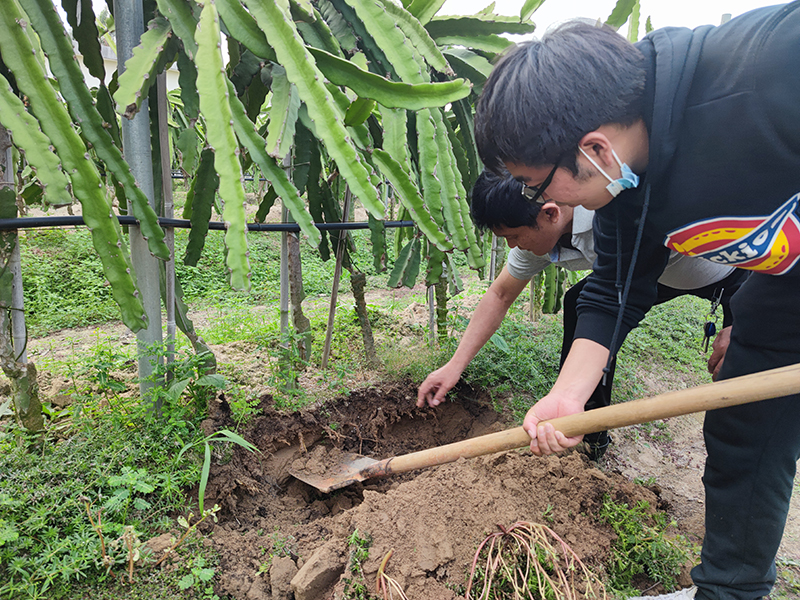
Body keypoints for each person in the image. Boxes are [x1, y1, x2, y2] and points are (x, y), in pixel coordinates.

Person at [472, 6, 800, 600]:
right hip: (786, 287)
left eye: (534, 187)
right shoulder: (622, 193)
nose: (536, 202)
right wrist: (567, 397)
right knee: (743, 431)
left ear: (592, 147)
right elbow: (612, 293)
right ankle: (731, 592)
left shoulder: (769, 64)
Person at [417, 170, 748, 460]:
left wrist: (741, 320)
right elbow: (501, 294)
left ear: (549, 214)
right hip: (647, 276)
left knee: (738, 366)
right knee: (581, 302)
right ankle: (590, 429)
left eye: (514, 237)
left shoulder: (621, 211)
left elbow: (757, 250)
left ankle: (740, 459)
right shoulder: (543, 232)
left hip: (732, 274)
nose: (514, 247)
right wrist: (454, 366)